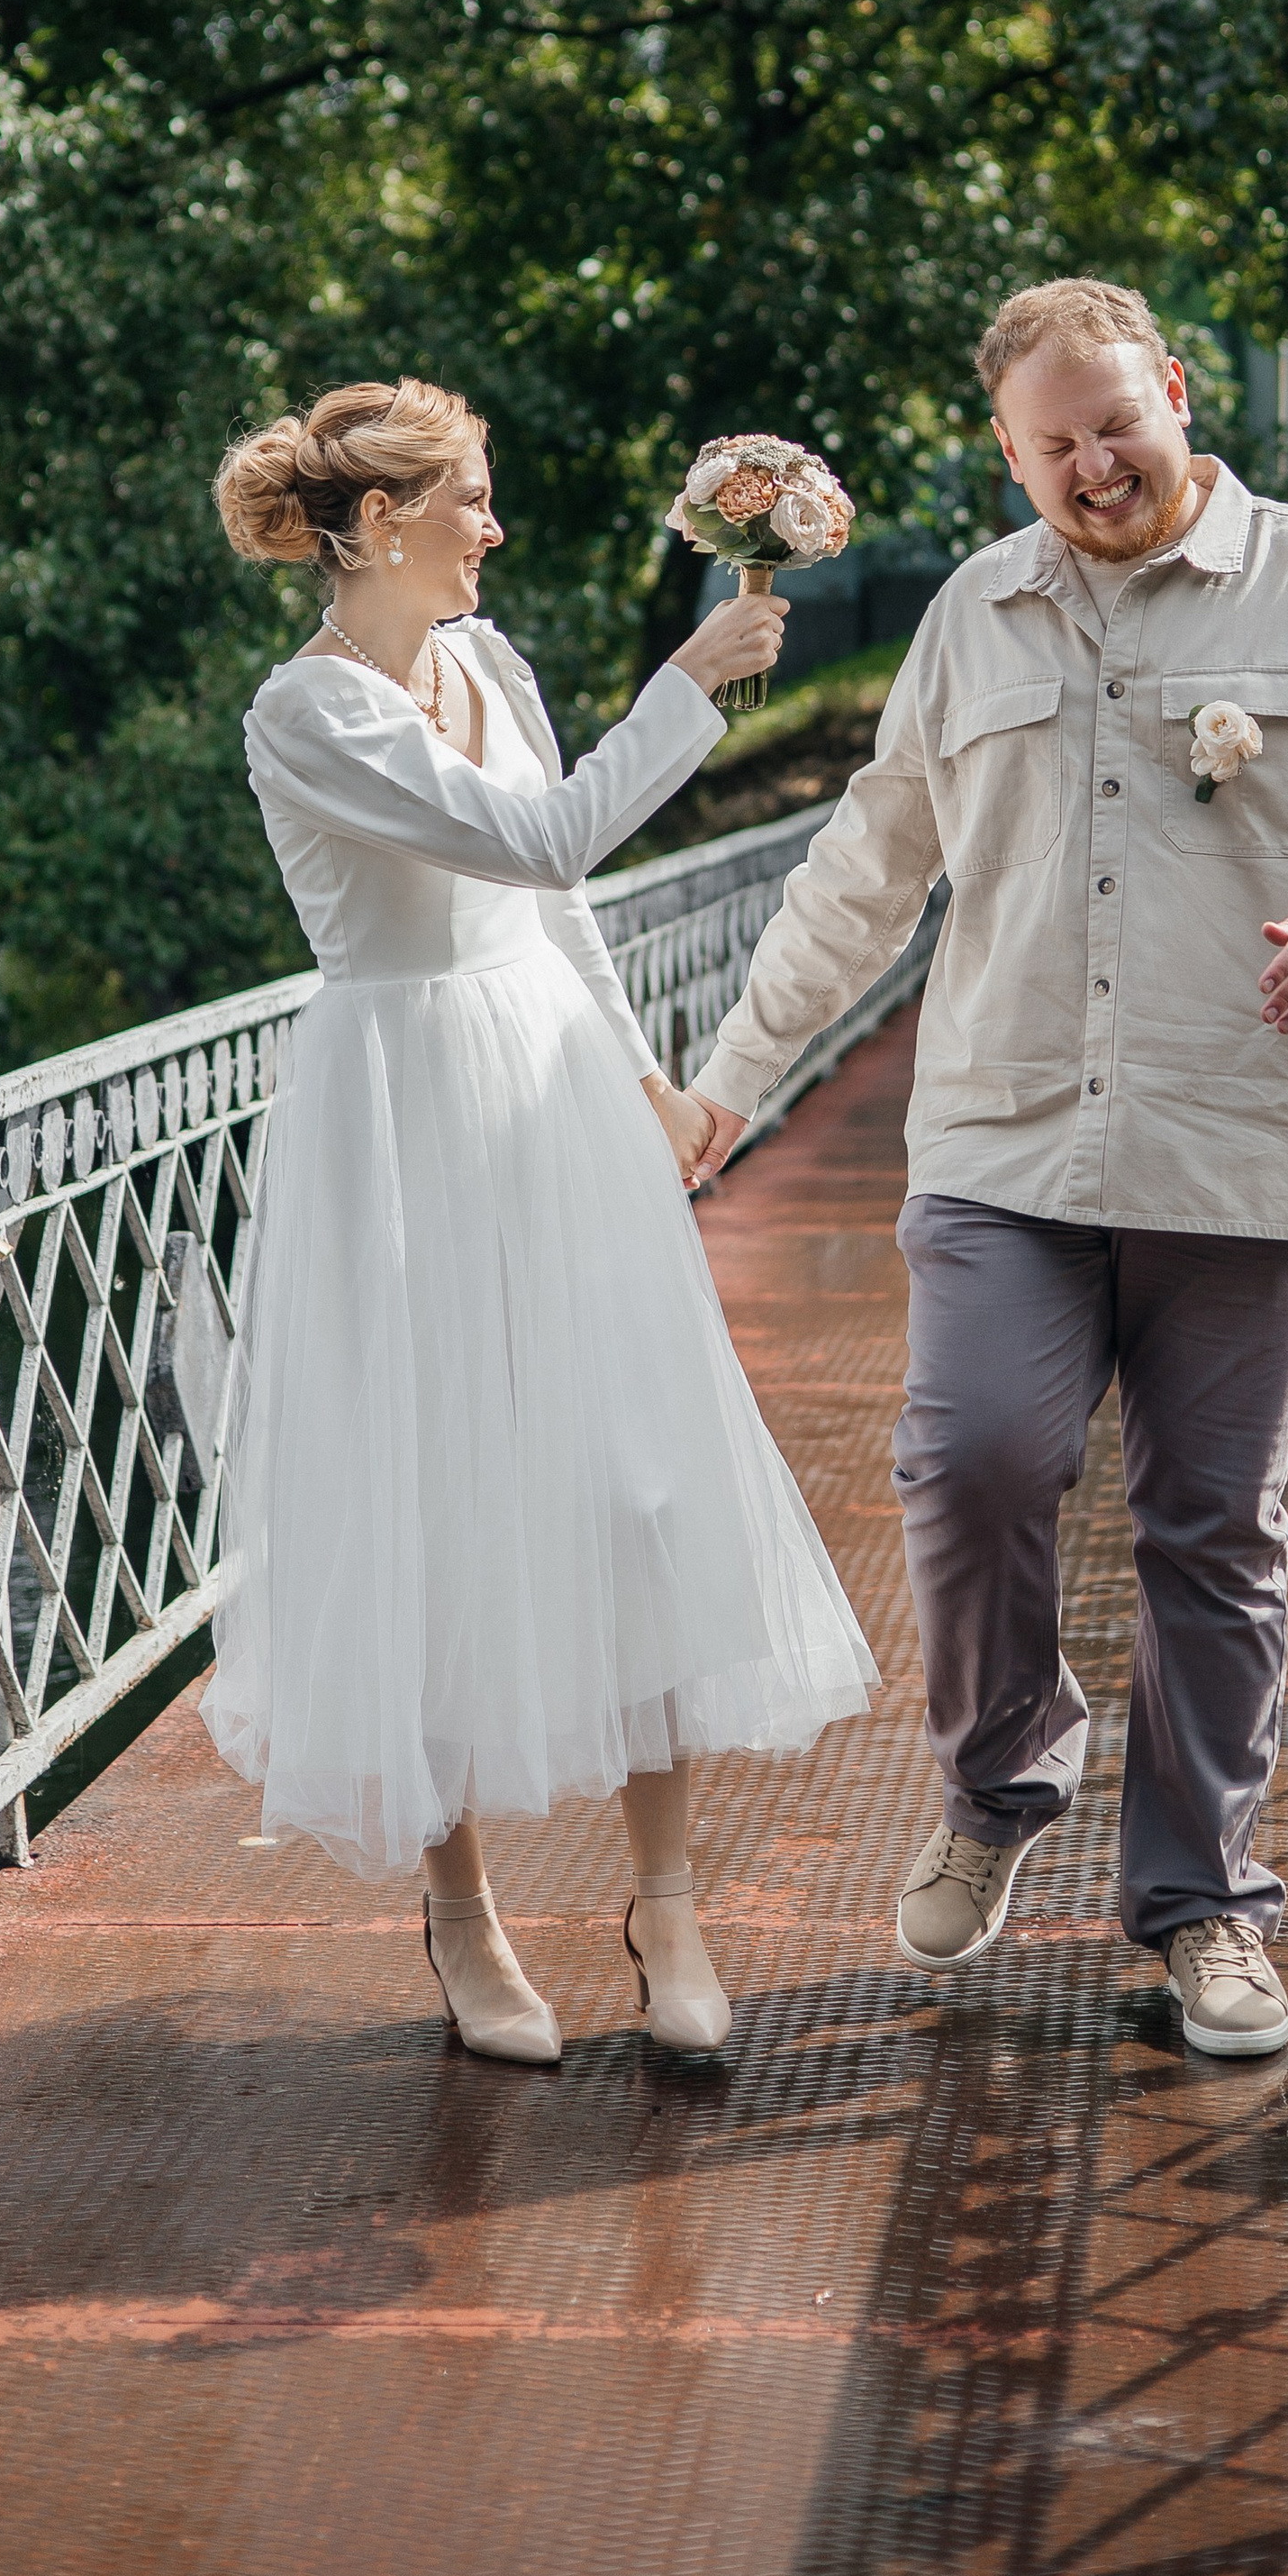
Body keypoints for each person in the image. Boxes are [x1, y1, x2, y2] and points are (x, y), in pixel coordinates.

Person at [686, 280, 1288, 2056]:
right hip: (1007, 1140)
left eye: (1115, 423)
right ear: (1009, 457)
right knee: (970, 1461)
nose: (1093, 466)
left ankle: (1203, 1906)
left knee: (1211, 1536)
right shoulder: (972, 616)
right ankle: (997, 1783)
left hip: (1246, 1140)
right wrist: (735, 1075)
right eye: (1050, 445)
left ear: (1177, 395)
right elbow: (866, 866)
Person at [200, 378, 877, 2066]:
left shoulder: (487, 664)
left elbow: (556, 901)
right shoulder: (308, 713)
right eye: (472, 501)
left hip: (552, 1086)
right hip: (401, 1109)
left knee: (636, 1479)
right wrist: (689, 689)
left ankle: (667, 1904)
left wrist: (647, 1083)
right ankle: (462, 1913)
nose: (494, 529)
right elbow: (542, 830)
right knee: (433, 1495)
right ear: (379, 524)